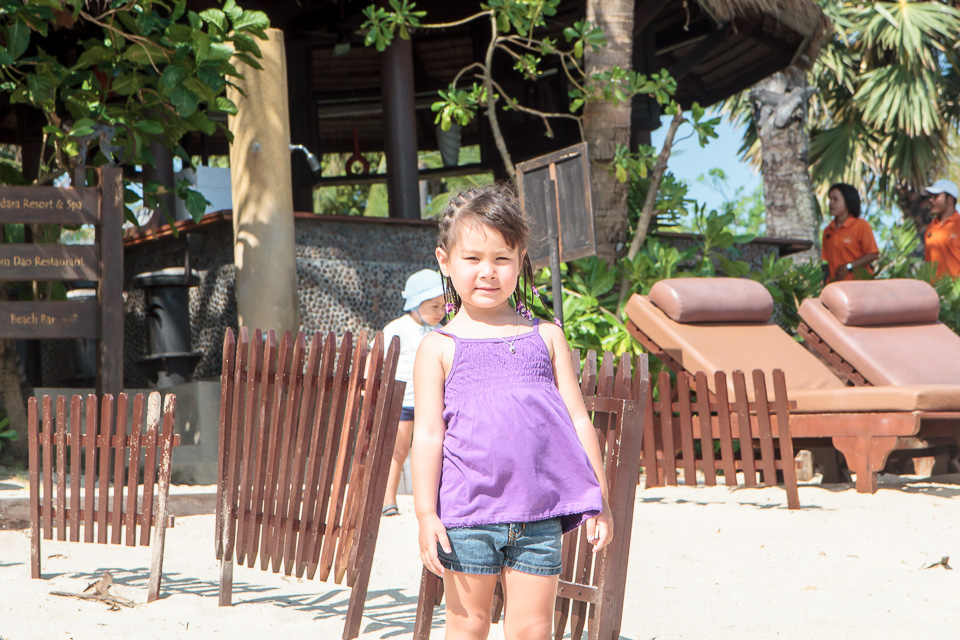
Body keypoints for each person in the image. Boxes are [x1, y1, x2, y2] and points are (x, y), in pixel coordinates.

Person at [412, 185, 612, 639]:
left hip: (539, 516)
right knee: (468, 626)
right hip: (466, 518)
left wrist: (600, 500)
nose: (488, 271)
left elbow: (578, 420)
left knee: (533, 629)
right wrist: (425, 514)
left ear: (521, 260)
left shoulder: (546, 337)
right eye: (472, 258)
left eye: (502, 258)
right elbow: (428, 436)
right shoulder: (438, 348)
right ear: (444, 261)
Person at [381, 269, 446, 517]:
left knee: (430, 451)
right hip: (402, 401)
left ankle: (431, 502)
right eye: (434, 306)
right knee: (397, 451)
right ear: (416, 305)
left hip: (431, 403)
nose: (440, 311)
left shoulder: (441, 331)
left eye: (443, 306)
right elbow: (377, 357)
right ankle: (388, 499)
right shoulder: (398, 328)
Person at [821, 183, 879, 283]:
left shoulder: (861, 225)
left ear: (847, 201)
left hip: (858, 283)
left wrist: (849, 266)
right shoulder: (828, 230)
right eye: (830, 199)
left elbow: (873, 254)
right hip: (836, 285)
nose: (831, 203)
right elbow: (827, 261)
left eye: (835, 199)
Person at [924, 179, 960, 279]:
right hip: (934, 288)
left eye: (936, 196)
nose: (931, 200)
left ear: (949, 199)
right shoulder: (930, 228)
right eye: (931, 196)